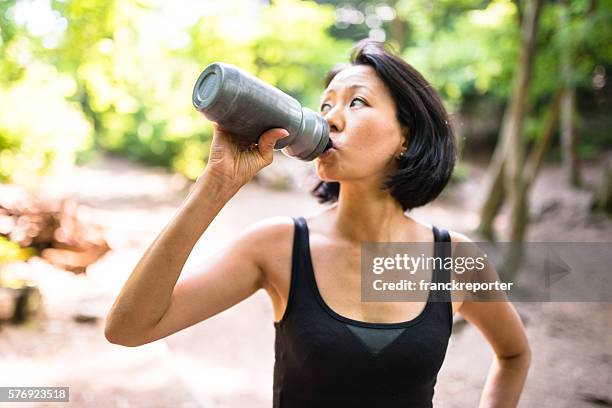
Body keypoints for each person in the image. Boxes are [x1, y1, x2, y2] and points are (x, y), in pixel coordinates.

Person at [104, 40, 531, 407]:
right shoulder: (277, 247)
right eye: (325, 105)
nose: (329, 117)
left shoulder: (454, 261)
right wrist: (216, 184)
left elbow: (514, 355)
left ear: (406, 135)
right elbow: (129, 328)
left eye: (357, 101)